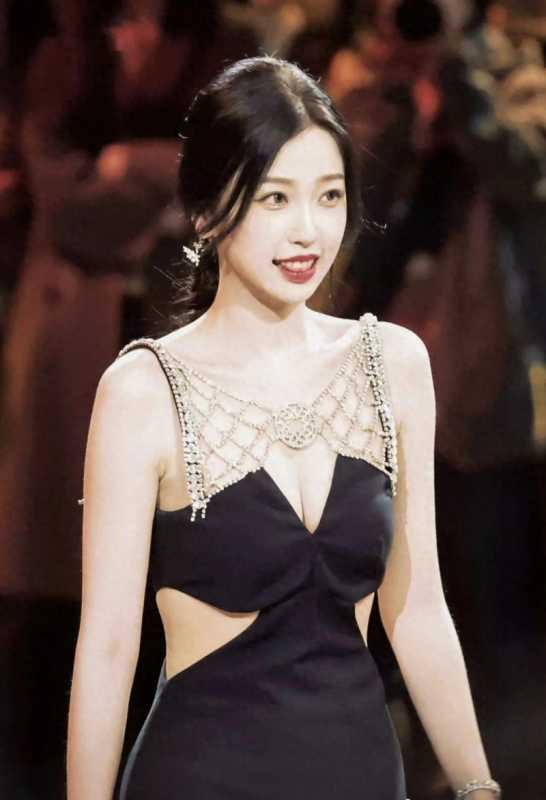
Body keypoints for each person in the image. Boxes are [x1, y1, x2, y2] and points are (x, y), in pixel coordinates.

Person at [66, 56, 501, 800]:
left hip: (364, 775)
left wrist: (477, 785)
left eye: (329, 196)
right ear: (208, 210)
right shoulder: (143, 392)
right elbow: (107, 648)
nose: (308, 231)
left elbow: (419, 608)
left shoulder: (392, 365)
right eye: (275, 198)